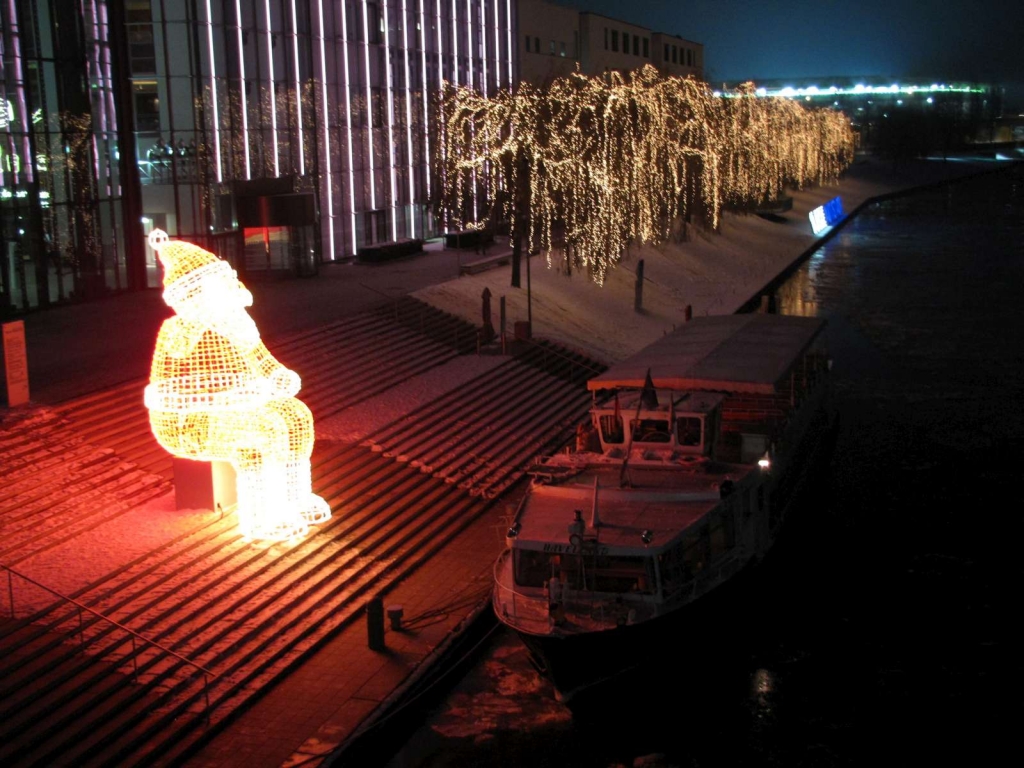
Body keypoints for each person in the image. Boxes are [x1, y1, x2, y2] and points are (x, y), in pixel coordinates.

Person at [143, 229, 330, 540]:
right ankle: (263, 517)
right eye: (215, 286)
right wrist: (232, 397)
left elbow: (265, 362)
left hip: (240, 407)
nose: (227, 289)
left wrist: (280, 377)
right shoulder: (177, 333)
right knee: (261, 432)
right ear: (192, 295)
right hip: (189, 423)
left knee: (297, 415)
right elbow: (169, 392)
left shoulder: (237, 322)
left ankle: (296, 496)